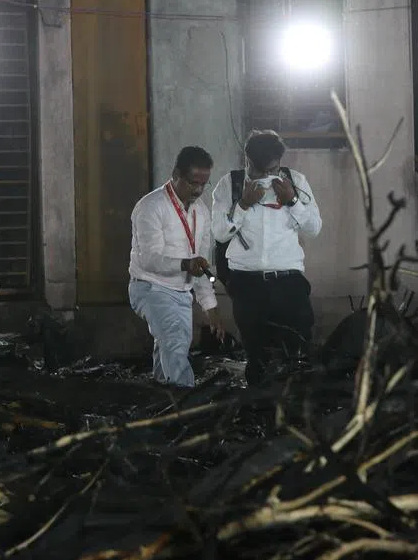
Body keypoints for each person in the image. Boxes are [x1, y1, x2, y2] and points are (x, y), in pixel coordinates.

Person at [211, 130, 322, 384]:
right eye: (259, 170)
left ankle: (293, 410)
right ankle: (258, 411)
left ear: (280, 162)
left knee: (297, 351)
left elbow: (314, 229)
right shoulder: (230, 184)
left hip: (288, 282)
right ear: (247, 161)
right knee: (257, 354)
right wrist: (243, 205)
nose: (265, 177)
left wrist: (292, 200)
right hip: (247, 284)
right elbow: (219, 233)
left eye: (271, 169)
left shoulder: (296, 182)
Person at [129, 146, 226, 387]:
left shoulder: (201, 212)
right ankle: (187, 402)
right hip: (151, 288)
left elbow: (201, 267)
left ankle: (163, 399)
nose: (199, 190)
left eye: (204, 184)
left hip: (182, 293)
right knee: (174, 341)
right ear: (175, 174)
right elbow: (149, 259)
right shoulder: (150, 207)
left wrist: (211, 310)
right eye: (193, 183)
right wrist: (185, 264)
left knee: (171, 347)